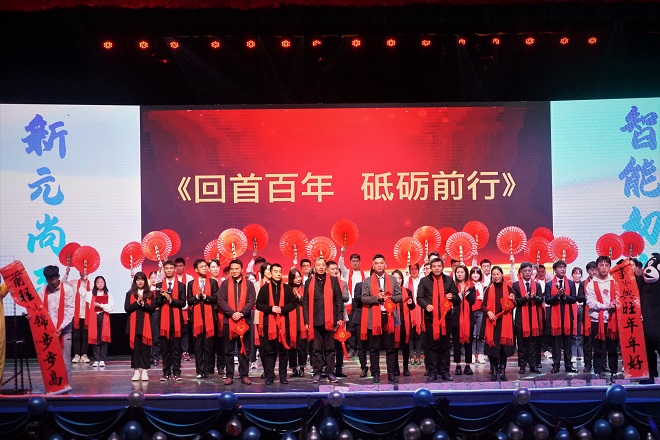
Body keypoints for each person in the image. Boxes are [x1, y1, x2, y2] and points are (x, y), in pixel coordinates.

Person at [360, 254, 402, 383]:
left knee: (390, 348)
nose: (379, 265)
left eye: (381, 263)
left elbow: (399, 296)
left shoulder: (392, 280)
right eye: (377, 263)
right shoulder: (367, 281)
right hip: (374, 318)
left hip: (389, 317)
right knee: (374, 348)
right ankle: (376, 373)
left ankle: (391, 374)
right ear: (373, 266)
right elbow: (363, 299)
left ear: (385, 264)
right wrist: (376, 297)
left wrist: (390, 298)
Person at [302, 257, 344, 384]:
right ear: (314, 267)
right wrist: (306, 320)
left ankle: (330, 372)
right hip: (315, 320)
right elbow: (305, 303)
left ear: (326, 267)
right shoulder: (309, 282)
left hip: (330, 319)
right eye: (318, 265)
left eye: (323, 265)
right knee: (316, 349)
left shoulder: (333, 280)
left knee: (330, 348)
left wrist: (339, 317)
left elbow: (339, 300)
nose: (321, 267)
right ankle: (317, 372)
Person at [417, 258, 459, 382]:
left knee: (445, 346)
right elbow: (419, 298)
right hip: (430, 319)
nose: (436, 268)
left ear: (442, 267)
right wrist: (426, 305)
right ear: (431, 268)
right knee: (431, 347)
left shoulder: (449, 280)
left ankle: (445, 372)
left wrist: (452, 297)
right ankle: (432, 372)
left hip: (446, 319)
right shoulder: (424, 281)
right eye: (434, 266)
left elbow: (457, 298)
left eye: (439, 266)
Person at [256, 263, 297, 384]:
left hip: (284, 325)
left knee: (283, 352)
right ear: (271, 273)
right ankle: (269, 377)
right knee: (269, 352)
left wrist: (282, 309)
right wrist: (271, 308)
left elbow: (293, 304)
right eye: (275, 271)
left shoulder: (287, 288)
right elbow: (259, 304)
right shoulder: (265, 288)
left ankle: (283, 377)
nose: (278, 274)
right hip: (269, 325)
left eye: (280, 271)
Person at [218, 259, 257, 385]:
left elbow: (251, 301)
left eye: (237, 269)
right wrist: (232, 313)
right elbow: (221, 300)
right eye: (232, 269)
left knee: (244, 349)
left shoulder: (249, 284)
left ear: (242, 269)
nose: (234, 271)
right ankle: (229, 375)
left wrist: (241, 313)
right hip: (228, 321)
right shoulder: (225, 284)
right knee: (228, 350)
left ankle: (244, 375)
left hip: (244, 320)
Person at [586, 256, 620, 383]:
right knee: (598, 348)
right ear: (597, 268)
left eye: (606, 265)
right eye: (601, 265)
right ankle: (597, 372)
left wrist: (615, 304)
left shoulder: (615, 282)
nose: (604, 268)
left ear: (610, 267)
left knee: (612, 347)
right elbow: (591, 302)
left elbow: (620, 298)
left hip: (612, 319)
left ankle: (614, 371)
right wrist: (606, 306)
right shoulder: (591, 284)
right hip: (597, 320)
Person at [39, 265, 75, 383]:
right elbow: (38, 309)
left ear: (58, 276)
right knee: (50, 361)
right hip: (48, 332)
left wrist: (61, 327)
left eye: (53, 279)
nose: (51, 282)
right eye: (49, 279)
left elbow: (70, 310)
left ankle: (65, 385)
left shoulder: (68, 290)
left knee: (65, 361)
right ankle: (52, 386)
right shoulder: (43, 291)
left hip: (64, 331)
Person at [154, 260, 186, 381]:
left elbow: (183, 303)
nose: (169, 270)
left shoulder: (181, 285)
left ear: (174, 269)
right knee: (165, 349)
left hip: (177, 322)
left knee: (176, 348)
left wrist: (171, 300)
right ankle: (166, 372)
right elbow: (156, 303)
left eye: (171, 268)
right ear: (164, 270)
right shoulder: (159, 285)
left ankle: (177, 372)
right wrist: (163, 298)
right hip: (163, 321)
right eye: (167, 268)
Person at [482, 266, 515, 381]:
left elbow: (513, 305)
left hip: (505, 321)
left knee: (503, 348)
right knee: (493, 348)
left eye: (497, 274)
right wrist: (489, 312)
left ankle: (503, 370)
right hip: (492, 321)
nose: (496, 276)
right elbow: (483, 305)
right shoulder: (488, 289)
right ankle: (494, 370)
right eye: (494, 274)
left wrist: (513, 300)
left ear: (502, 274)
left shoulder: (509, 288)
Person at [187, 259, 218, 379]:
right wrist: (197, 296)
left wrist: (204, 296)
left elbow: (216, 298)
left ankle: (209, 370)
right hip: (196, 319)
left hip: (210, 318)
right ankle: (199, 370)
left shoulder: (213, 282)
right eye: (202, 266)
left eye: (206, 266)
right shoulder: (191, 284)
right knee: (198, 346)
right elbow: (189, 301)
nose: (205, 268)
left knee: (209, 346)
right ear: (196, 269)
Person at [545, 260, 578, 373]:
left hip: (568, 317)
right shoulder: (549, 284)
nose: (563, 269)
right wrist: (557, 296)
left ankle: (568, 365)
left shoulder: (571, 283)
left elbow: (574, 299)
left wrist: (564, 296)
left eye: (564, 267)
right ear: (555, 270)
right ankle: (556, 365)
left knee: (568, 342)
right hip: (555, 318)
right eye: (560, 267)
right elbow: (548, 300)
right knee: (556, 343)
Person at [512, 262, 543, 374]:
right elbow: (515, 302)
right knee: (521, 344)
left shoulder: (537, 285)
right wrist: (524, 298)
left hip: (534, 319)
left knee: (533, 344)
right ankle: (522, 366)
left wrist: (534, 297)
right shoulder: (516, 285)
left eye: (529, 271)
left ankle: (533, 365)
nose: (527, 273)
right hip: (521, 319)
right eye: (525, 271)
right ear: (521, 272)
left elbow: (541, 300)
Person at [125, 272, 156, 381]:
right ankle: (136, 371)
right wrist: (137, 303)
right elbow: (127, 309)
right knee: (135, 350)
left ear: (145, 281)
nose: (140, 281)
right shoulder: (130, 294)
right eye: (138, 279)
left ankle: (145, 371)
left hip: (146, 326)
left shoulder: (150, 294)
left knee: (145, 349)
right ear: (135, 281)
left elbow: (152, 309)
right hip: (134, 326)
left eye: (142, 279)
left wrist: (143, 304)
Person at [338, 250, 368, 358]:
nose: (355, 263)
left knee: (360, 326)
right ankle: (351, 348)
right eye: (353, 261)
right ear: (350, 262)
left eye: (357, 261)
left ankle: (361, 348)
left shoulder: (365, 274)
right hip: (350, 302)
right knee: (351, 326)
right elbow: (340, 265)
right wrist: (342, 254)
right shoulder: (346, 273)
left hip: (360, 301)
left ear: (359, 262)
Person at [62, 267, 92, 364]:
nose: (83, 273)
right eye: (81, 271)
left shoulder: (91, 284)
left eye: (85, 271)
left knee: (85, 336)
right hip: (76, 313)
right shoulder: (74, 283)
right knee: (76, 335)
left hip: (87, 314)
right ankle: (76, 355)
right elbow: (63, 284)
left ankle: (84, 355)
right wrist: (67, 273)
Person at [327, 260, 350, 378]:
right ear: (327, 270)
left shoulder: (343, 283)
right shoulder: (324, 283)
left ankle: (339, 368)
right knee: (327, 343)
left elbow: (346, 297)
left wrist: (336, 293)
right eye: (332, 269)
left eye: (336, 269)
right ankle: (327, 368)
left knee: (340, 343)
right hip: (327, 316)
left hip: (341, 317)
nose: (335, 271)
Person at [452, 264, 475, 375]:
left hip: (468, 318)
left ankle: (468, 365)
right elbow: (453, 301)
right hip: (456, 318)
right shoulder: (452, 286)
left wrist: (466, 291)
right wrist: (460, 295)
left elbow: (472, 301)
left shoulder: (471, 286)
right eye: (458, 272)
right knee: (456, 343)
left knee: (468, 343)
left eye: (462, 272)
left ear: (466, 273)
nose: (460, 274)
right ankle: (457, 365)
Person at [392, 269, 416, 376]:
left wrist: (410, 303)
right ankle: (395, 368)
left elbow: (412, 307)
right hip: (393, 323)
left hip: (405, 323)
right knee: (394, 347)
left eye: (399, 278)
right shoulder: (389, 293)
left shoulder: (408, 292)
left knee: (405, 346)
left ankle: (406, 367)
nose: (398, 280)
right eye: (395, 278)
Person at [88, 276, 113, 368]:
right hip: (94, 317)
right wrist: (84, 279)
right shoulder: (91, 294)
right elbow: (81, 292)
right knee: (95, 338)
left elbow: (110, 308)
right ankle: (96, 359)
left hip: (104, 316)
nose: (100, 284)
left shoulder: (108, 294)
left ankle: (102, 359)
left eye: (102, 282)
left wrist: (100, 305)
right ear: (95, 283)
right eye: (98, 282)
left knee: (103, 339)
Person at [287, 268, 308, 377]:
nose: (298, 279)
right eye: (295, 277)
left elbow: (308, 302)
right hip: (291, 321)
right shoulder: (287, 289)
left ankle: (302, 367)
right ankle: (294, 368)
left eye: (299, 276)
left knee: (302, 346)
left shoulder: (305, 288)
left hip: (302, 321)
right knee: (292, 346)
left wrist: (300, 297)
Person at [208, 258, 226, 378]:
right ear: (208, 269)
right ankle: (209, 367)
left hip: (222, 314)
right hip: (210, 313)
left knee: (221, 342)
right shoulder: (206, 282)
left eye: (217, 267)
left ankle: (221, 366)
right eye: (213, 267)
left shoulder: (224, 281)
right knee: (210, 342)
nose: (215, 269)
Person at [174, 258, 194, 362]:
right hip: (174, 307)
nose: (179, 268)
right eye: (177, 266)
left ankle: (185, 352)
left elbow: (191, 293)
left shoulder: (190, 278)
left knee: (185, 331)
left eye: (180, 266)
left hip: (186, 308)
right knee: (175, 331)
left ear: (184, 266)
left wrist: (186, 304)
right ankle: (176, 352)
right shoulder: (171, 278)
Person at [404, 263, 424, 366]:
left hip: (420, 309)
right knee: (411, 334)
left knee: (419, 334)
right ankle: (411, 356)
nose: (414, 271)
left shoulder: (422, 281)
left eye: (416, 269)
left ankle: (419, 355)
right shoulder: (406, 281)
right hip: (410, 309)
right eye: (412, 269)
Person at [581, 261, 597, 373]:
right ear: (588, 271)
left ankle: (602, 364)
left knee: (600, 342)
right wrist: (589, 296)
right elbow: (579, 297)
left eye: (596, 270)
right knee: (587, 342)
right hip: (587, 315)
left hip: (600, 315)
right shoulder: (583, 283)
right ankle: (587, 364)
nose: (594, 272)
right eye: (592, 270)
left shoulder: (603, 282)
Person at [469, 266, 486, 364]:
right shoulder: (468, 285)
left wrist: (483, 298)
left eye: (477, 273)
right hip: (470, 311)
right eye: (473, 273)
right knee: (472, 334)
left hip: (480, 311)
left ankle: (480, 354)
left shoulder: (483, 285)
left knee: (480, 334)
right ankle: (471, 354)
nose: (475, 275)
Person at [571, 266, 585, 364]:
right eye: (575, 273)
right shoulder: (570, 284)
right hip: (572, 309)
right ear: (572, 275)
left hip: (582, 308)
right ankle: (573, 354)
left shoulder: (584, 284)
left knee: (581, 332)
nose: (577, 275)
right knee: (573, 332)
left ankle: (581, 354)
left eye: (579, 273)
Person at [148, 270, 162, 367]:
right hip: (148, 313)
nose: (153, 279)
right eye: (152, 278)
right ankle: (150, 357)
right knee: (149, 336)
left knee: (156, 336)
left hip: (157, 313)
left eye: (155, 277)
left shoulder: (159, 289)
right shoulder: (147, 289)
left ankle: (156, 357)